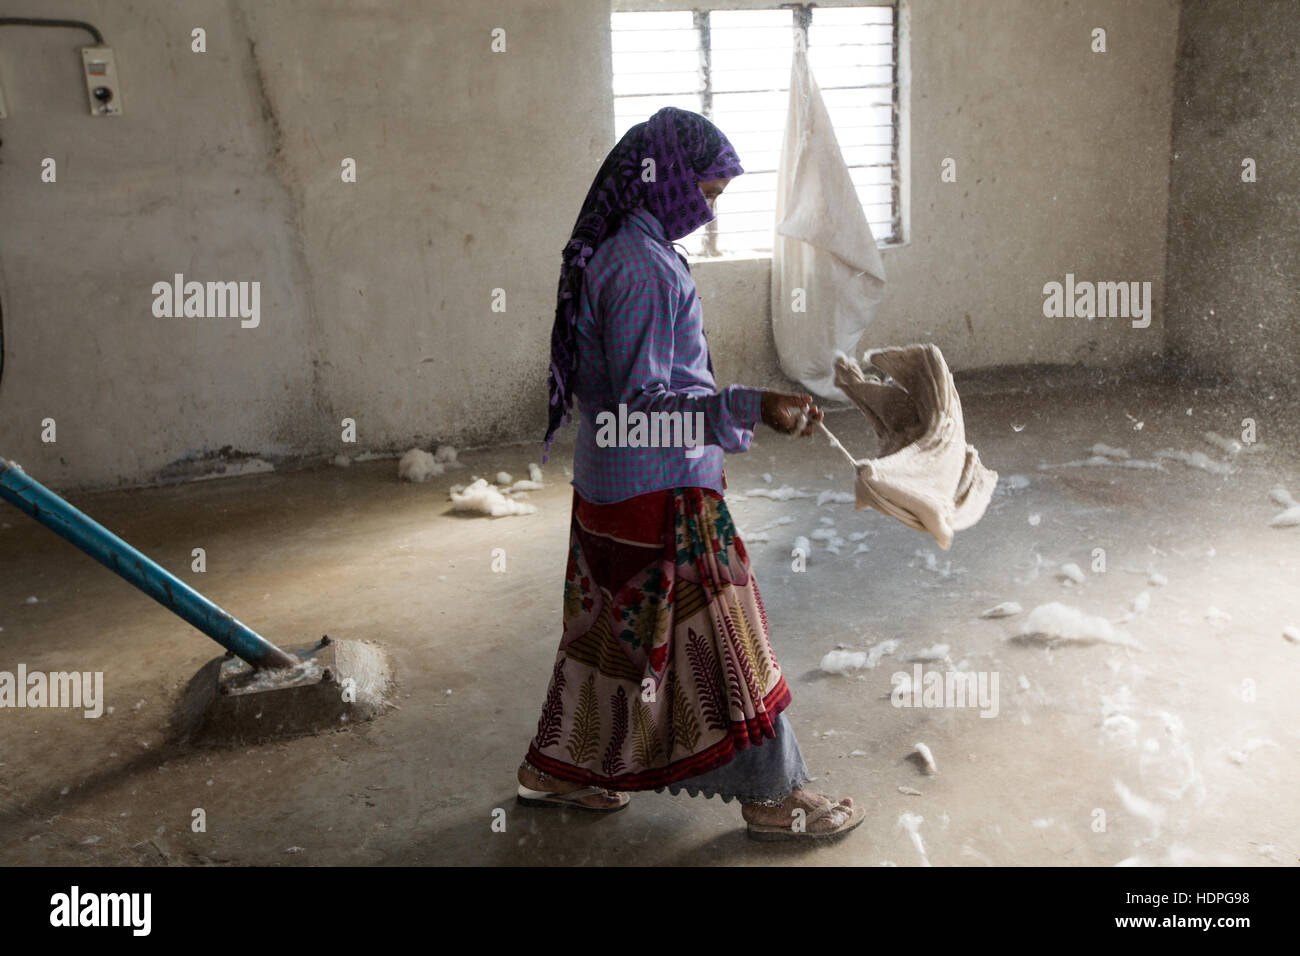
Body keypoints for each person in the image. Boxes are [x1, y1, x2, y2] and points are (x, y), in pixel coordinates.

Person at [517, 107, 864, 841]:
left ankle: (559, 771)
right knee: (729, 644)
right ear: (668, 180)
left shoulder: (618, 249)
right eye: (705, 193)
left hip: (612, 488)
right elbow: (645, 406)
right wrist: (748, 404)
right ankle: (774, 796)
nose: (707, 212)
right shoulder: (640, 268)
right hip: (659, 494)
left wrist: (733, 407)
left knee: (609, 638)